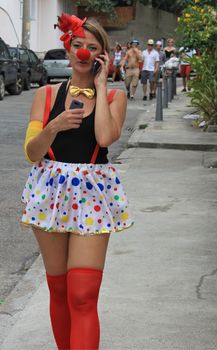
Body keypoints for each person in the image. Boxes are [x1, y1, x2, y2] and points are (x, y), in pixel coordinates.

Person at [21, 13, 133, 350]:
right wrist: (53, 126)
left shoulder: (115, 98)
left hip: (92, 194)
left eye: (93, 48)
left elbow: (106, 136)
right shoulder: (46, 94)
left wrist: (101, 86)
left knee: (83, 295)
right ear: (68, 49)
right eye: (78, 45)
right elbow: (31, 152)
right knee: (58, 289)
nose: (83, 53)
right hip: (50, 191)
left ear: (102, 56)